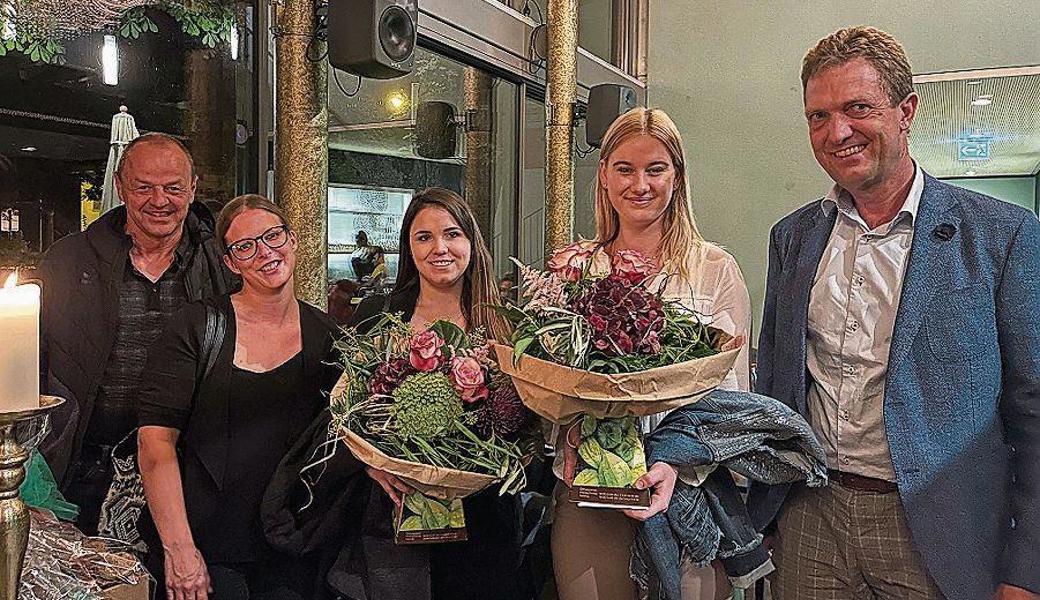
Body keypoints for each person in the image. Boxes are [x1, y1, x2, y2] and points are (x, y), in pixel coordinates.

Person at [747, 26, 1040, 600]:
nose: (838, 132)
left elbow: (1033, 411)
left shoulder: (1003, 237)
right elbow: (777, 390)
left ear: (906, 110)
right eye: (818, 116)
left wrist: (1026, 566)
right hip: (810, 516)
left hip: (938, 528)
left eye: (858, 108)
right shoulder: (792, 238)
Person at [552, 107, 752, 600]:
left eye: (655, 169)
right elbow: (547, 384)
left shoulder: (714, 269)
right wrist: (568, 430)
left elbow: (732, 400)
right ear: (604, 175)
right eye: (625, 168)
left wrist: (674, 464)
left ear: (677, 177)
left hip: (687, 492)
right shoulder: (575, 269)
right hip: (588, 491)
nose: (640, 184)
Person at [136, 195, 341, 599]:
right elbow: (155, 443)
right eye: (246, 246)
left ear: (293, 240)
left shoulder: (327, 335)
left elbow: (341, 441)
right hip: (205, 548)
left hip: (290, 547)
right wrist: (179, 550)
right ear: (230, 262)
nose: (265, 252)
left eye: (273, 236)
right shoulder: (197, 326)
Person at [36, 133, 236, 534]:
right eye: (144, 187)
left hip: (192, 475)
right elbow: (33, 365)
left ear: (193, 189)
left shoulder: (225, 263)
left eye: (173, 188)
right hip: (85, 471)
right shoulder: (68, 260)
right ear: (120, 187)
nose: (159, 201)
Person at [345, 187, 526, 600]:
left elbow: (530, 422)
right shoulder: (378, 317)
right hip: (395, 513)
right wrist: (370, 463)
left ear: (470, 242)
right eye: (423, 237)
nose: (439, 248)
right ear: (408, 248)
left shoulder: (505, 322)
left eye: (452, 234)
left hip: (486, 517)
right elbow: (343, 413)